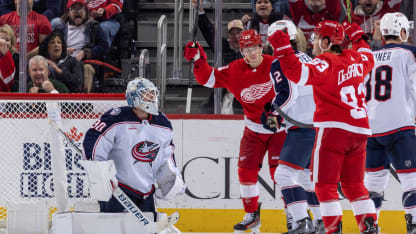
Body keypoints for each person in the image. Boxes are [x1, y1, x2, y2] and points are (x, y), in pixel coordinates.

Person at [268, 20, 378, 233]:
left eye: (317, 38)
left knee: (325, 186)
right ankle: (369, 228)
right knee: (354, 186)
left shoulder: (324, 62)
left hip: (333, 131)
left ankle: (333, 229)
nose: (314, 42)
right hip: (360, 131)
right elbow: (369, 55)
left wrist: (283, 49)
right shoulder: (357, 58)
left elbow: (298, 75)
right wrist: (358, 35)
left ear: (327, 42)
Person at [183, 29, 287, 233]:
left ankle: (294, 215)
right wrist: (198, 60)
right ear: (241, 52)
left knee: (282, 174)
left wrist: (282, 114)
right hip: (253, 130)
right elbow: (209, 78)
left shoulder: (277, 65)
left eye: (255, 48)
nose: (252, 54)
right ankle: (251, 215)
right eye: (247, 50)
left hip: (281, 130)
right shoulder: (235, 69)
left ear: (261, 47)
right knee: (245, 173)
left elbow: (299, 88)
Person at [82, 77, 185, 218]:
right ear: (134, 97)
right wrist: (100, 172)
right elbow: (93, 140)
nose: (152, 97)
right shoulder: (116, 118)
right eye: (146, 94)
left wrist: (171, 174)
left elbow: (166, 154)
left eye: (152, 93)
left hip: (146, 192)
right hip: (118, 189)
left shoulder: (163, 123)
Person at [264, 19, 324, 234]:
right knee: (305, 179)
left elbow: (289, 93)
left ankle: (301, 222)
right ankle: (320, 223)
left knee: (283, 175)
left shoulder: (280, 61)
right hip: (316, 125)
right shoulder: (308, 58)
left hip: (302, 127)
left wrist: (273, 111)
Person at [364, 12, 416, 233]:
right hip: (400, 127)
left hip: (371, 130)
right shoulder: (409, 53)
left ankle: (369, 224)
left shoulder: (368, 57)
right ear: (402, 32)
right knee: (411, 179)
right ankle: (413, 222)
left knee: (374, 184)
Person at [192, 0, 244, 114]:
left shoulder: (250, 50)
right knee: (206, 110)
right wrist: (200, 11)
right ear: (229, 35)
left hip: (241, 96)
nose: (236, 36)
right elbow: (209, 32)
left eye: (239, 32)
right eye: (232, 33)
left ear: (244, 34)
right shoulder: (223, 47)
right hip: (222, 93)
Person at [53, 0, 109, 93]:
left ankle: (84, 101)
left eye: (80, 8)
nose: (77, 11)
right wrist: (61, 50)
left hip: (85, 63)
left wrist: (86, 53)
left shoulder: (94, 27)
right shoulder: (60, 28)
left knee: (87, 69)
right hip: (63, 62)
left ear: (86, 11)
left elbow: (104, 47)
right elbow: (49, 48)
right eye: (74, 9)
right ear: (68, 12)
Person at [0, 24, 16, 92]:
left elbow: (8, 81)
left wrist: (5, 55)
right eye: (1, 39)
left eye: (7, 40)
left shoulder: (16, 57)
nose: (4, 42)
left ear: (11, 43)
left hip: (8, 98)